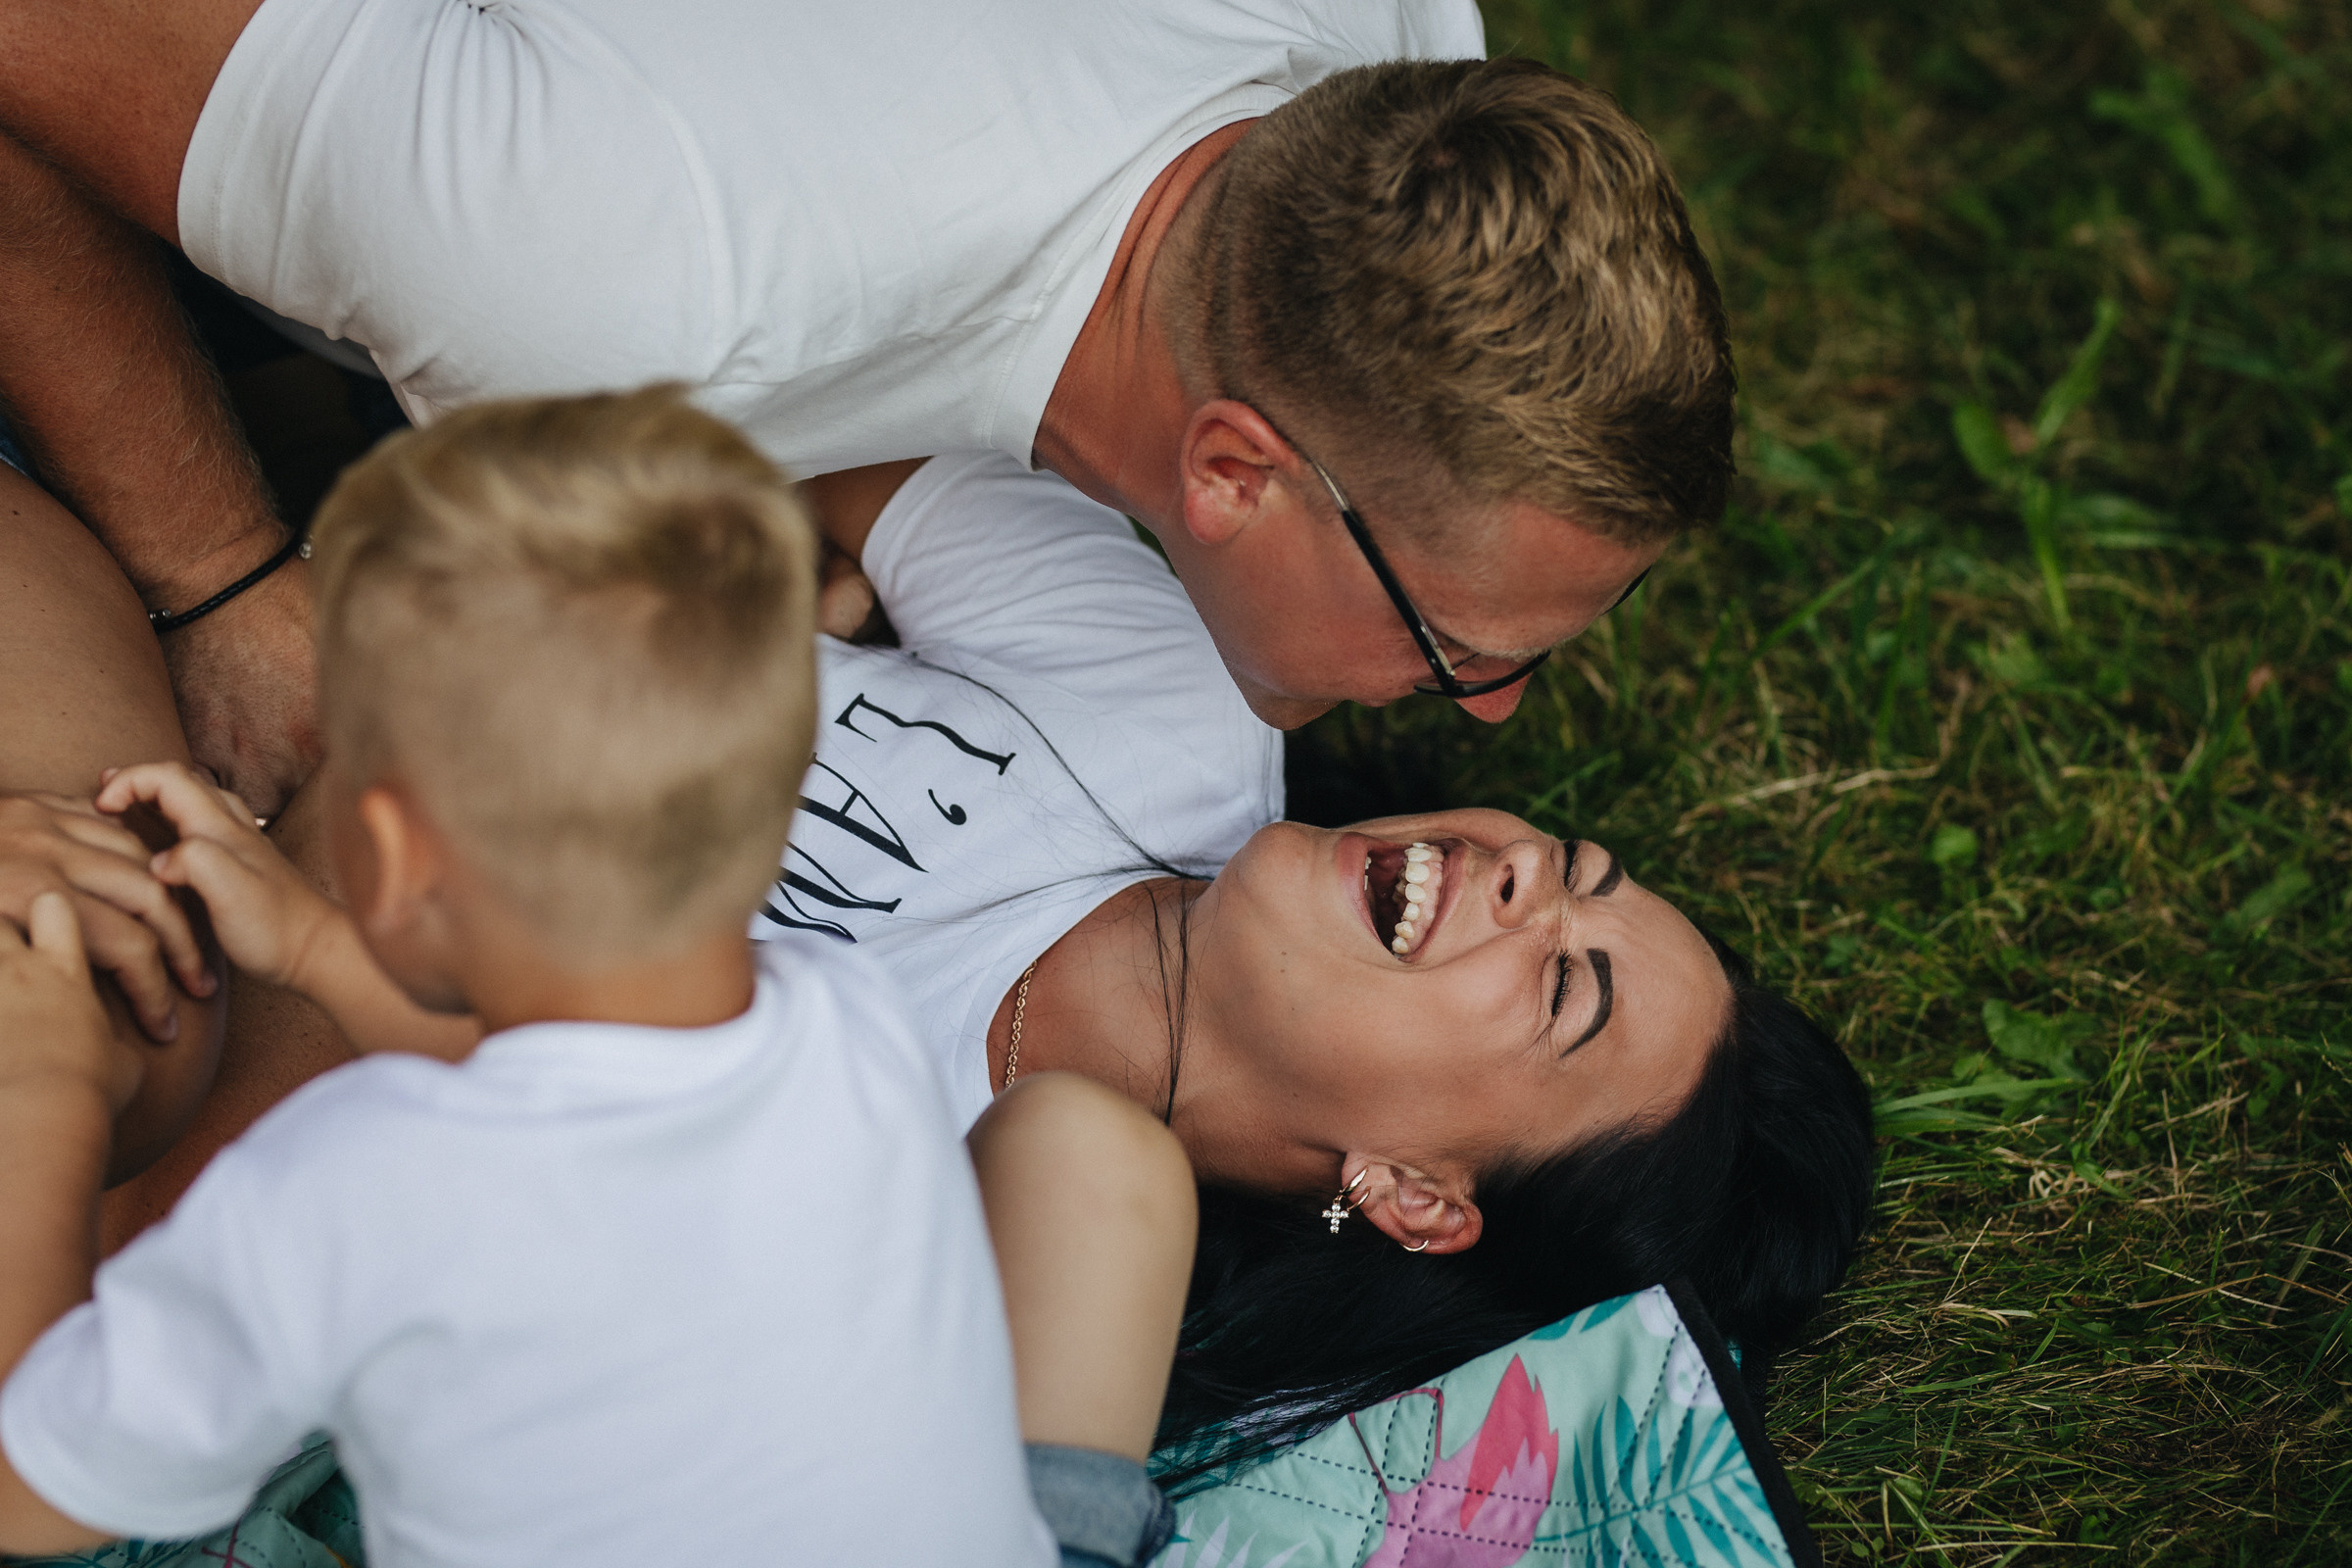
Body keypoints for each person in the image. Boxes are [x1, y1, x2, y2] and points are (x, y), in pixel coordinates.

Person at [0, 0, 1738, 821]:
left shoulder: (1395, 51)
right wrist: (222, 573)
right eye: (1461, 648)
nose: (1494, 714)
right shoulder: (624, 290)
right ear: (1237, 470)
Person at [0, 390, 1120, 1566]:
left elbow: (26, 1493)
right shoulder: (844, 1023)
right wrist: (315, 945)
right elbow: (557, 1110)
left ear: (381, 852)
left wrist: (48, 1095)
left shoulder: (344, 1187)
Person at [771, 449, 1877, 1478]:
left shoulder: (948, 1280)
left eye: (1562, 987)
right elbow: (833, 407)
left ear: (1412, 1193)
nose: (1529, 873)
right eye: (1579, 869)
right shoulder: (1180, 702)